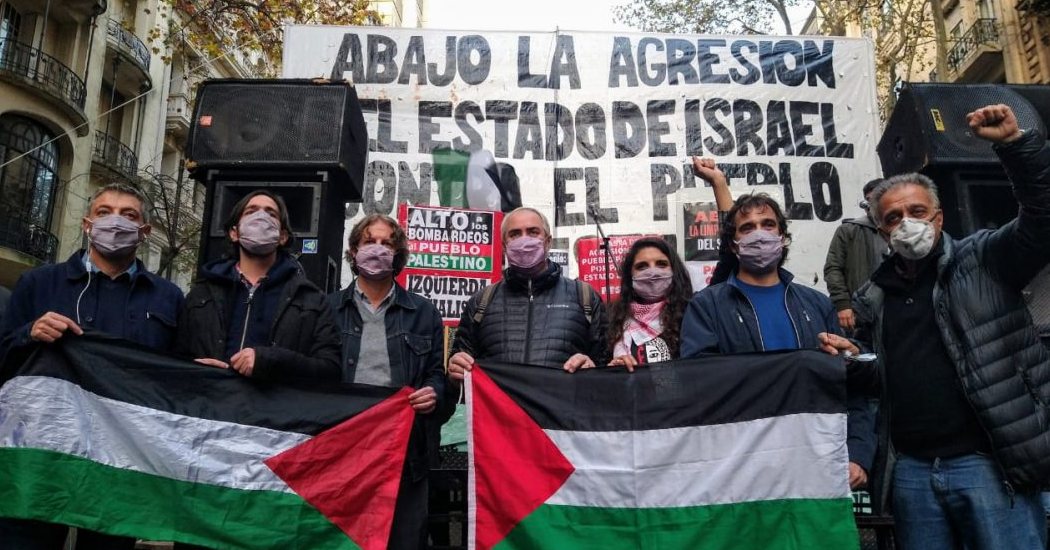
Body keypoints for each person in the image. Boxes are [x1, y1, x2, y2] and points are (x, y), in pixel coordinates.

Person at [852, 103, 1050, 550]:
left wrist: (1018, 148)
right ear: (883, 233)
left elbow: (1043, 219)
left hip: (989, 466)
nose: (907, 223)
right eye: (893, 218)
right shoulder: (874, 296)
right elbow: (881, 378)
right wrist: (848, 360)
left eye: (917, 212)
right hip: (913, 473)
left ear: (939, 218)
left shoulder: (985, 260)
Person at [0, 183, 183, 550]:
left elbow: (175, 376)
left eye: (129, 215)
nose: (115, 222)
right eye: (104, 212)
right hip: (41, 459)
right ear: (87, 223)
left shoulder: (168, 297)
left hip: (119, 464)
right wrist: (28, 333)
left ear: (144, 232)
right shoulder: (38, 283)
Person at [679, 193, 876, 491]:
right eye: (747, 227)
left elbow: (850, 390)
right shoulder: (706, 307)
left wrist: (859, 453)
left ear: (782, 236)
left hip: (815, 460)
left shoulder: (817, 305)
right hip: (741, 468)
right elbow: (699, 388)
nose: (759, 233)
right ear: (733, 243)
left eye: (768, 224)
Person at [326, 214, 450, 550]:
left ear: (398, 255)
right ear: (353, 252)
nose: (378, 250)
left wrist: (434, 393)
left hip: (404, 457)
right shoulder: (328, 309)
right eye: (369, 242)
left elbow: (437, 375)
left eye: (387, 243)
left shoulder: (423, 312)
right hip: (341, 453)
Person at [176, 189, 340, 381]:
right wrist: (194, 368)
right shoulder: (201, 294)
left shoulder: (311, 300)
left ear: (283, 237)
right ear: (234, 233)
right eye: (251, 211)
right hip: (209, 405)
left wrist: (271, 361)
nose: (261, 217)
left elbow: (330, 369)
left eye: (271, 214)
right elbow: (172, 360)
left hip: (273, 409)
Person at [447, 207, 608, 381]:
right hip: (501, 407)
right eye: (515, 234)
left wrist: (593, 369)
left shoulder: (584, 297)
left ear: (548, 242)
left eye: (533, 232)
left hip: (561, 407)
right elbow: (456, 377)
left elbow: (607, 369)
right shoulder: (481, 302)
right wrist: (454, 372)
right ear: (503, 245)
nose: (524, 240)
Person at [607, 237, 693, 370]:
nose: (653, 273)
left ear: (674, 271)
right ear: (630, 276)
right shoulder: (614, 318)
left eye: (661, 264)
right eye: (642, 266)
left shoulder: (692, 313)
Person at [823, 178, 889, 333]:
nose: (871, 205)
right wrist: (843, 304)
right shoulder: (848, 231)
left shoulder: (901, 230)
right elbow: (833, 269)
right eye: (868, 200)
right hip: (861, 313)